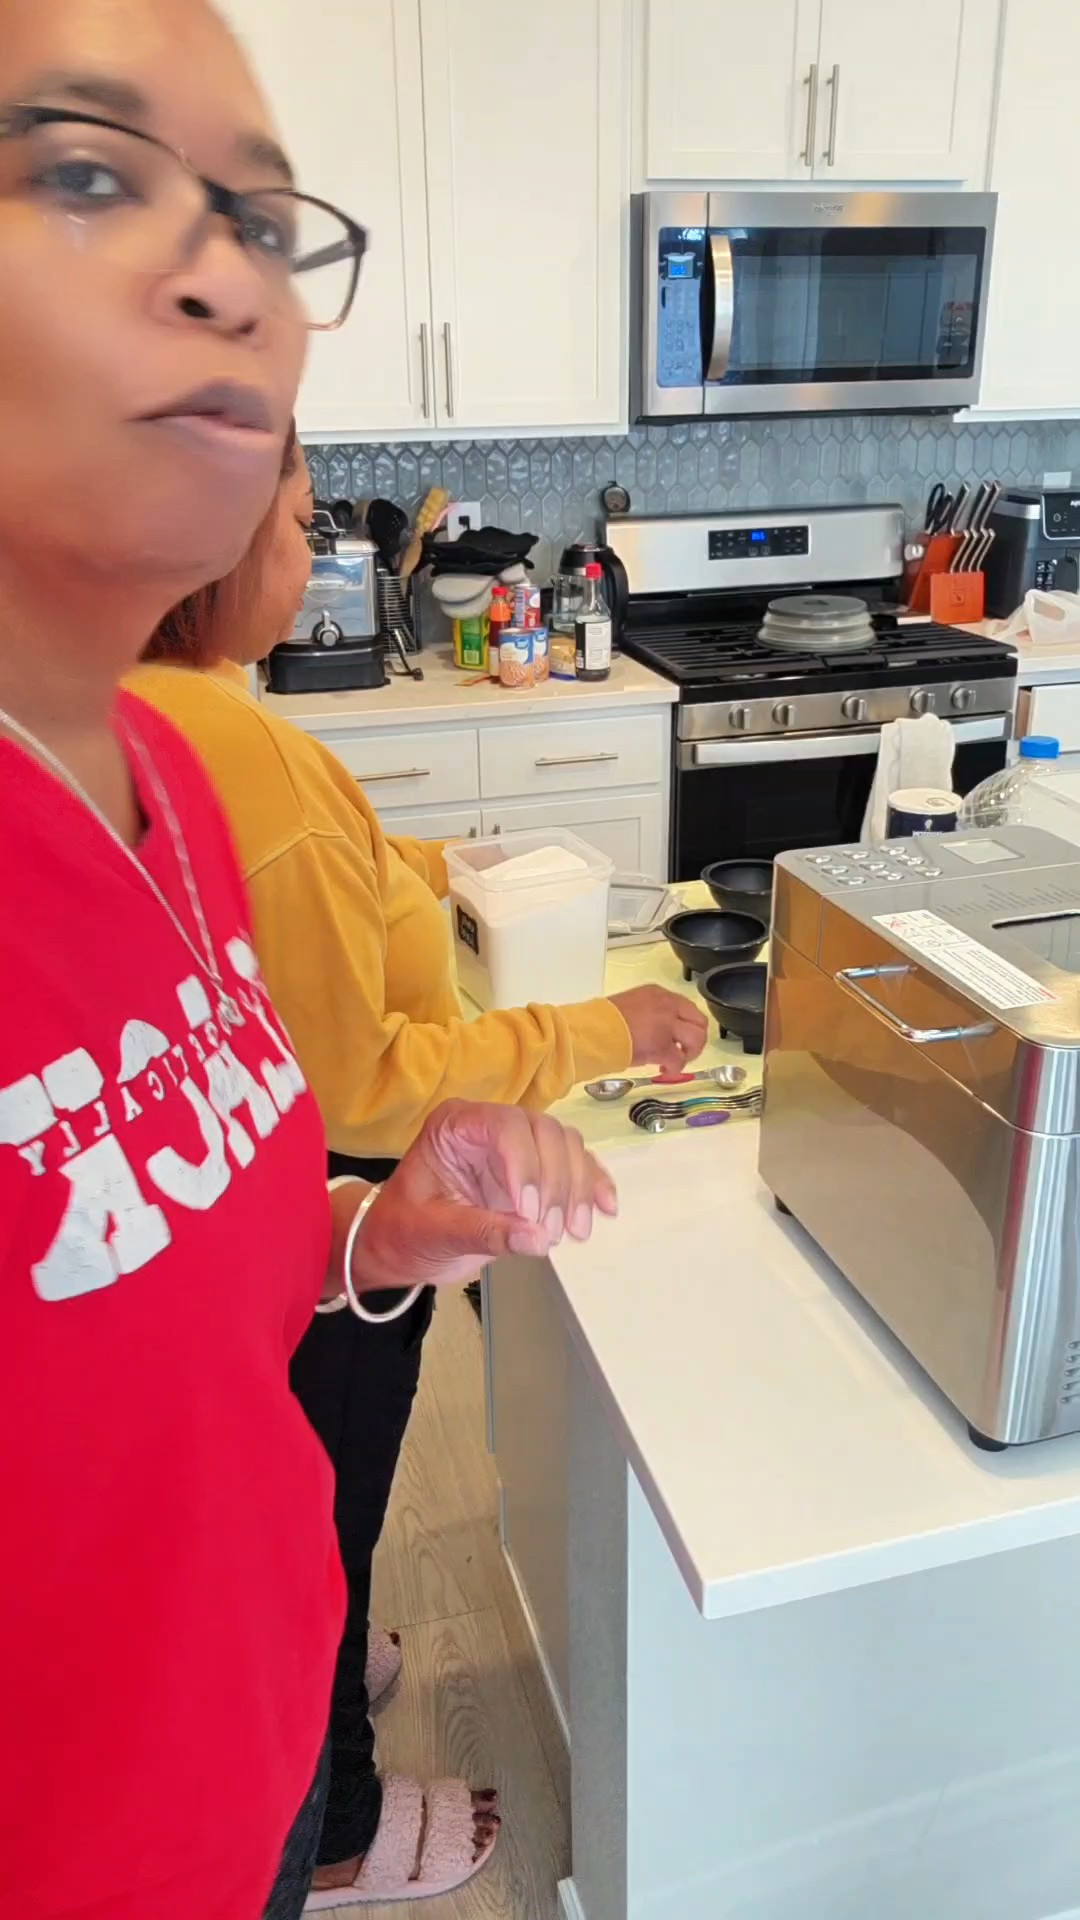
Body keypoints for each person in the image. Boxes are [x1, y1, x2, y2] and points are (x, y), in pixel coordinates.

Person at [0, 5, 618, 1919]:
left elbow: (149, 1272)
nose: (236, 283)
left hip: (257, 1762)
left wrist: (372, 1233)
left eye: (264, 218)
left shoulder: (169, 766)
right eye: (90, 172)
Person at [133, 434, 707, 1902]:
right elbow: (364, 1079)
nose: (316, 545)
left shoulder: (143, 726)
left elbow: (307, 894)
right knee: (322, 1509)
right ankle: (331, 1826)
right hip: (331, 1192)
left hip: (239, 1209)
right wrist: (599, 1027)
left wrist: (424, 866)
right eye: (302, 514)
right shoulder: (240, 756)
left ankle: (328, 1667)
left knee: (293, 1514)